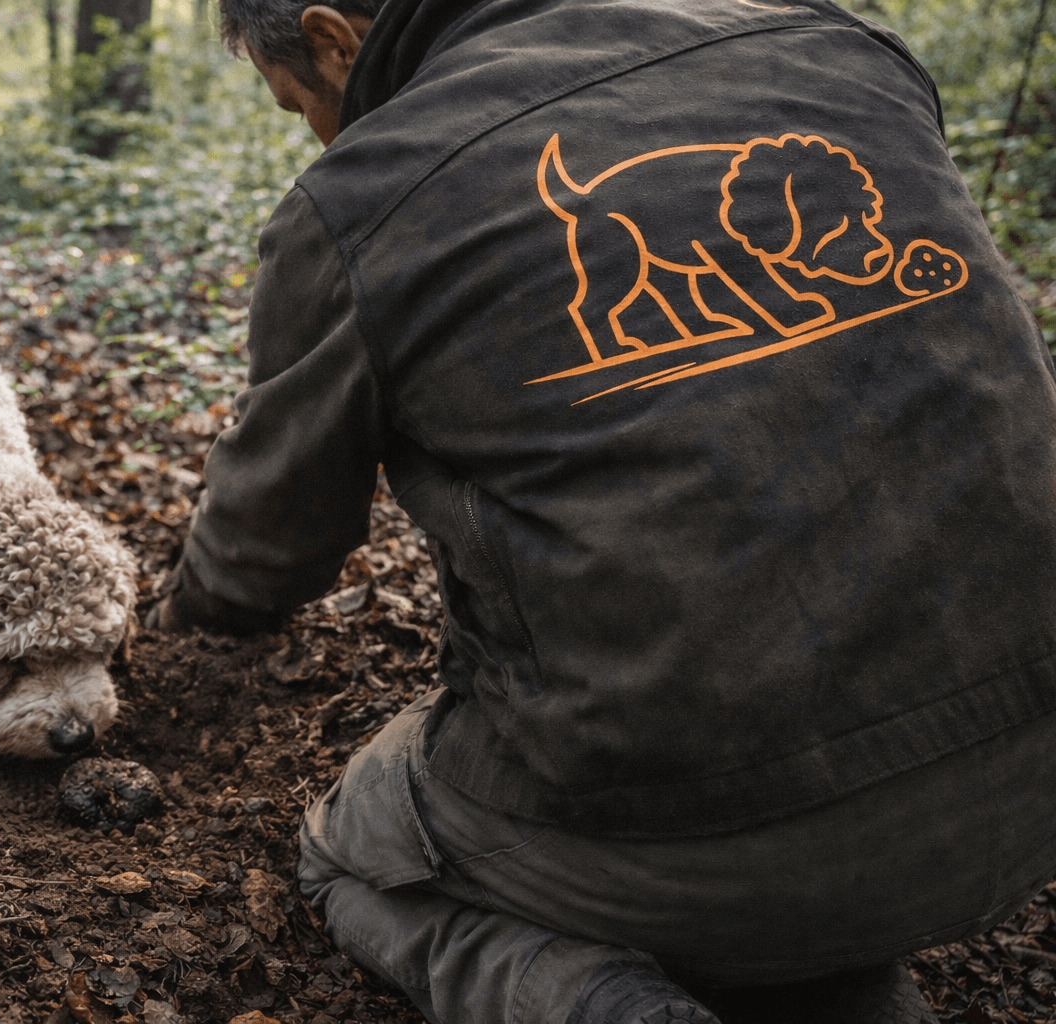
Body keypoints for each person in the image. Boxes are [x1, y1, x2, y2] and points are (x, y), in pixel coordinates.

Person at [151, 0, 1056, 1020]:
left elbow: (264, 548)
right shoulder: (835, 41)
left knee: (354, 850)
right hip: (1029, 780)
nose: (316, 136)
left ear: (334, 42)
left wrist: (182, 619)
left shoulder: (363, 196)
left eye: (297, 108)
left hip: (700, 823)